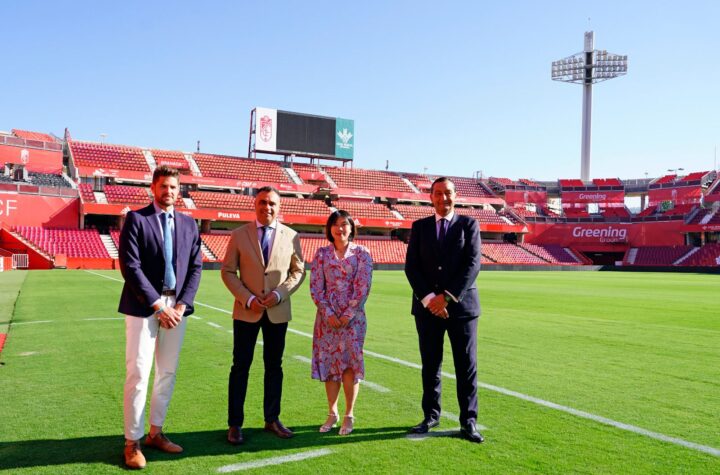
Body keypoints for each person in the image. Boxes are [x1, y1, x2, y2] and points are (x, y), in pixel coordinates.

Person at [118, 165, 203, 469]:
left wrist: (180, 306)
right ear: (153, 188)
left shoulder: (189, 225)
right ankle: (132, 442)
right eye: (163, 186)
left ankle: (156, 432)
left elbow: (195, 268)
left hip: (176, 309)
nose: (168, 192)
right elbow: (130, 266)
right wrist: (158, 305)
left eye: (174, 187)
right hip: (144, 307)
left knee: (167, 372)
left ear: (180, 192)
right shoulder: (137, 219)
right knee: (139, 373)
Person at [221, 186, 305, 445]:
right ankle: (235, 424)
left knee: (274, 366)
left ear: (279, 207)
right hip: (247, 312)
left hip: (277, 312)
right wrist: (247, 298)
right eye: (262, 202)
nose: (266, 207)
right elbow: (227, 271)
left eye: (272, 203)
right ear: (254, 204)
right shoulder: (238, 235)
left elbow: (298, 271)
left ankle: (272, 418)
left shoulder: (292, 236)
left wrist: (279, 295)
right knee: (240, 367)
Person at [404, 177, 484, 443]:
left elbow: (472, 265)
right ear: (431, 197)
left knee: (466, 366)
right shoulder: (419, 227)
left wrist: (446, 298)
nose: (443, 198)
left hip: (461, 310)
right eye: (438, 194)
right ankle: (431, 415)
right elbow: (412, 267)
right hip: (427, 309)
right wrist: (429, 299)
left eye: (447, 193)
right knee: (430, 365)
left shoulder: (469, 225)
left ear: (455, 195)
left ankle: (468, 421)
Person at [309, 210, 373, 435]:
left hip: (353, 321)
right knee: (330, 365)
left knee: (349, 366)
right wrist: (328, 314)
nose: (340, 229)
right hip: (326, 320)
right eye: (335, 225)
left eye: (344, 224)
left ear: (351, 228)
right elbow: (316, 287)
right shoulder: (321, 254)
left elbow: (363, 287)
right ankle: (332, 412)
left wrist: (346, 315)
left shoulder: (362, 254)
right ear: (329, 229)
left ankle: (349, 414)